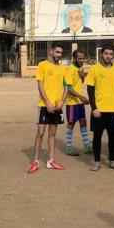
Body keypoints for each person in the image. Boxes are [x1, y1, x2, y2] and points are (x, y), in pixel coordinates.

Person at [86, 44, 114, 171]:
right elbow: (90, 89)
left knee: (113, 137)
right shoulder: (94, 69)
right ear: (101, 54)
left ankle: (112, 160)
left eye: (110, 54)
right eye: (106, 54)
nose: (108, 56)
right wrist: (94, 108)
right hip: (99, 110)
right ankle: (97, 161)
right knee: (97, 137)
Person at [29, 42, 68, 173]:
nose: (59, 55)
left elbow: (67, 87)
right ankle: (35, 161)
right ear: (51, 52)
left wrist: (62, 102)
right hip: (44, 105)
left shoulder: (63, 68)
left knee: (52, 134)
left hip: (57, 106)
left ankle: (51, 161)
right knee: (40, 133)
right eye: (57, 52)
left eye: (61, 53)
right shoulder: (42, 65)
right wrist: (47, 102)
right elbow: (40, 85)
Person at [63, 49, 92, 156]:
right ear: (74, 58)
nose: (81, 60)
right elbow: (69, 88)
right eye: (79, 58)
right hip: (72, 103)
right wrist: (82, 97)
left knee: (83, 122)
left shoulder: (80, 68)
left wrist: (82, 77)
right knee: (71, 124)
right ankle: (68, 146)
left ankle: (87, 145)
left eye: (83, 58)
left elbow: (79, 83)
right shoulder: (70, 69)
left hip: (79, 103)